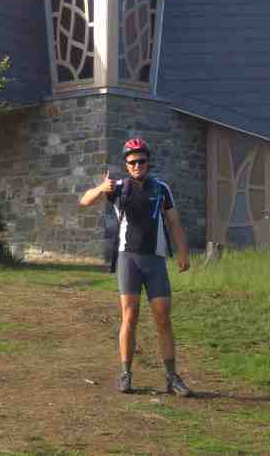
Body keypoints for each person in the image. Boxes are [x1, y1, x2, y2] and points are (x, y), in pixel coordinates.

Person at [79, 137, 192, 395]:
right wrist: (100, 188)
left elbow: (174, 222)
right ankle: (126, 374)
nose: (137, 165)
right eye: (132, 162)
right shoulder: (117, 187)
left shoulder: (161, 188)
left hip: (155, 259)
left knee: (163, 317)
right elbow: (84, 201)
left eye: (141, 160)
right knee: (130, 316)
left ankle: (172, 377)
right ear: (126, 165)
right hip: (128, 259)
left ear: (148, 162)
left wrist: (183, 253)